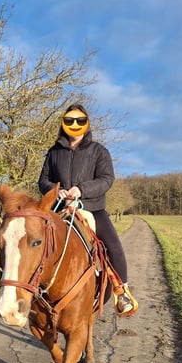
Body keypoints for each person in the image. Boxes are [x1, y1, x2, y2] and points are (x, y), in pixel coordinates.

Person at [38, 103, 138, 316]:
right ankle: (31, 290)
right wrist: (57, 191)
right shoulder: (53, 152)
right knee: (35, 243)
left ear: (86, 124)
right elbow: (43, 180)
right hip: (59, 208)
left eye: (80, 121)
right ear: (64, 124)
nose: (75, 125)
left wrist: (81, 190)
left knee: (114, 246)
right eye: (70, 121)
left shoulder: (99, 151)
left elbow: (107, 179)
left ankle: (122, 291)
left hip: (92, 208)